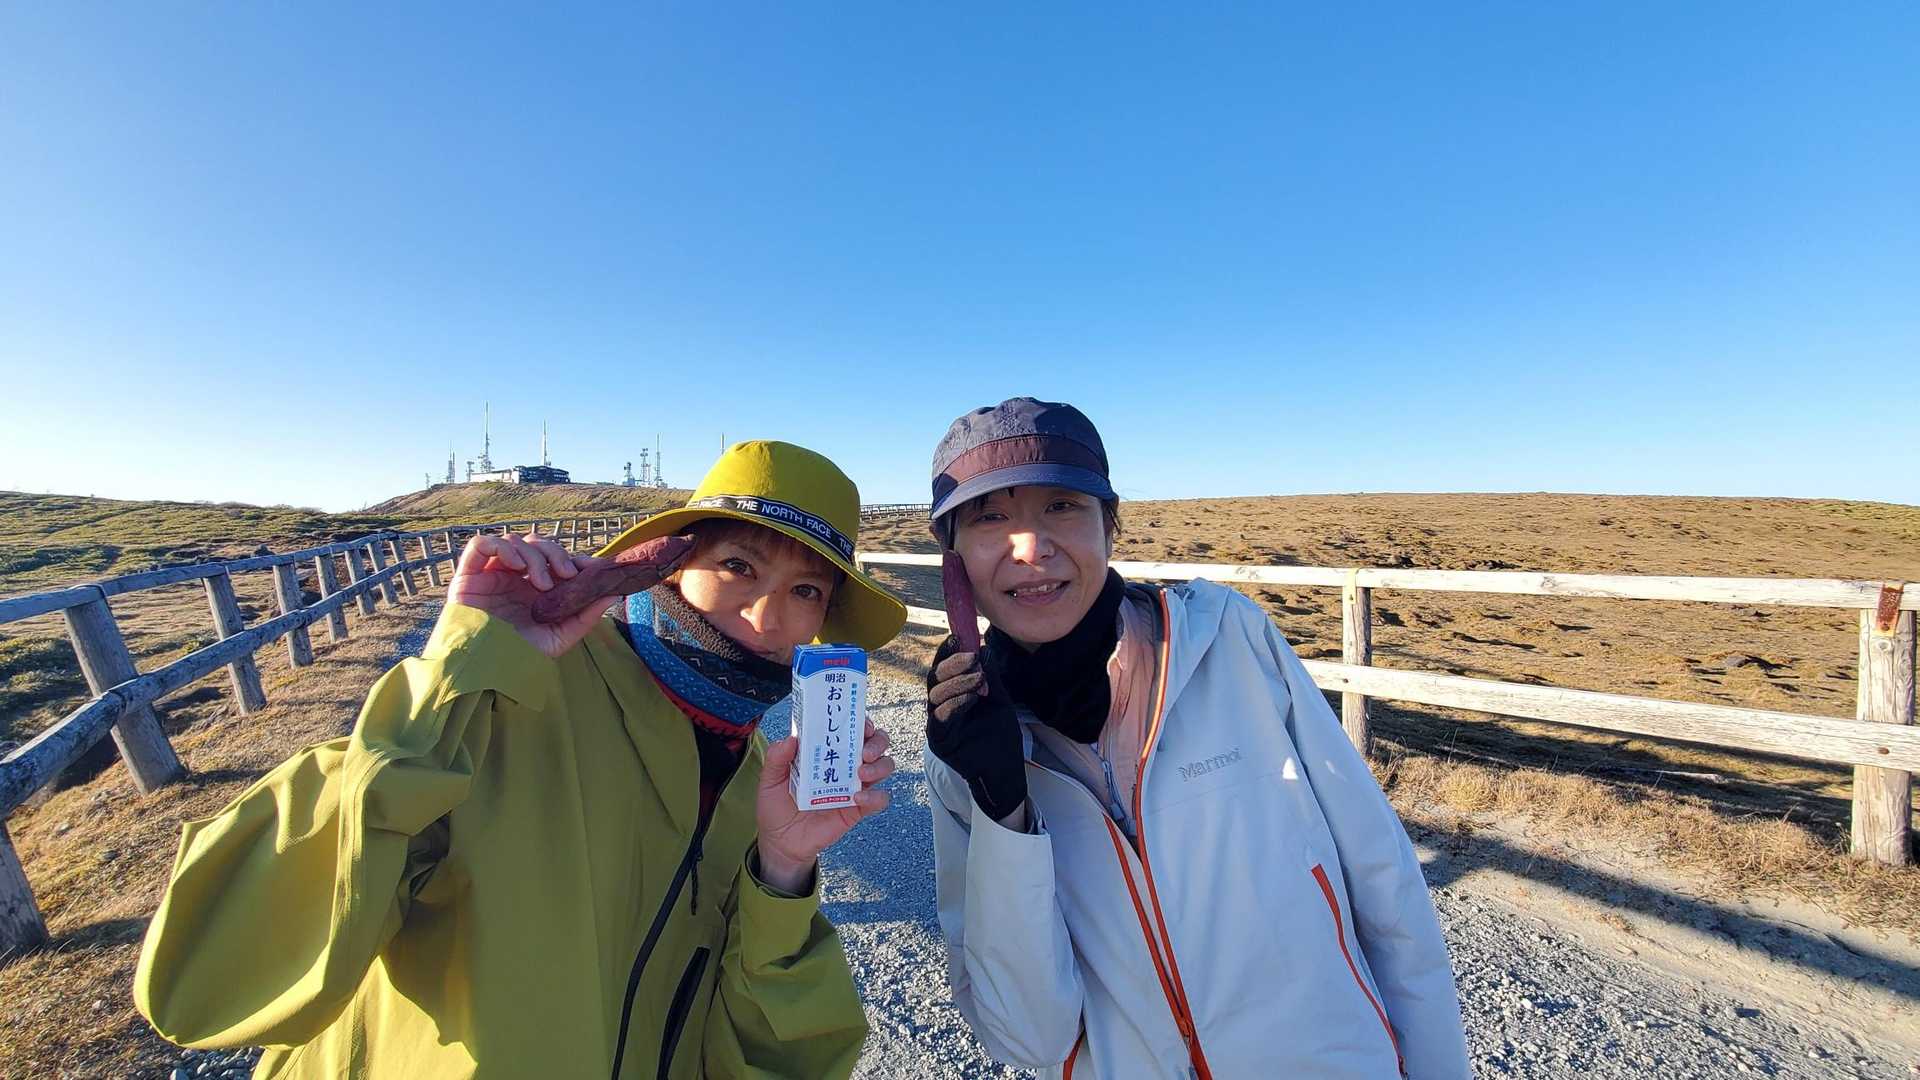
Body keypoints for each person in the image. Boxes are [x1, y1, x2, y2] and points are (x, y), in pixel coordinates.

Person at [135, 440, 907, 1079]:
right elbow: (205, 989)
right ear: (668, 564)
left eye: (806, 590)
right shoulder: (513, 695)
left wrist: (782, 872)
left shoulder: (760, 777)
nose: (768, 618)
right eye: (738, 566)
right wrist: (457, 677)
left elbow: (760, 1053)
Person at [921, 398, 1470, 1079]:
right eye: (988, 517)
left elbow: (1384, 883)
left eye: (1061, 505)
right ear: (954, 561)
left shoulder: (1228, 641)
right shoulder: (963, 746)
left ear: (1110, 525)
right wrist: (1004, 811)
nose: (1030, 547)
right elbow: (1032, 1040)